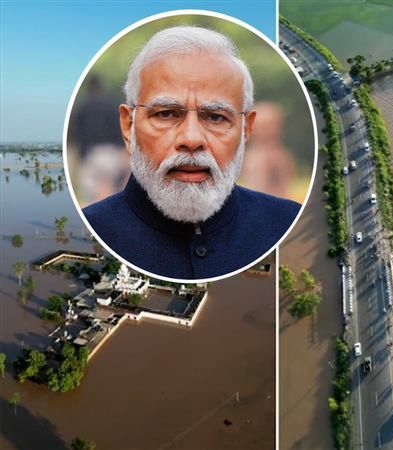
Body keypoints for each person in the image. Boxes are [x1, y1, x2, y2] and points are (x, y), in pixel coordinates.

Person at [83, 26, 301, 280]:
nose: (191, 139)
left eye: (216, 117)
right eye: (166, 114)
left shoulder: (287, 224)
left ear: (245, 130)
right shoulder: (90, 233)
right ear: (128, 126)